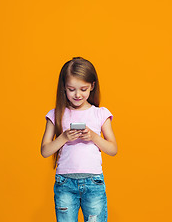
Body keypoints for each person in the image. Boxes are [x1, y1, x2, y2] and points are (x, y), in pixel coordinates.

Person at [41, 57, 117, 222]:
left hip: (94, 183)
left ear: (92, 86)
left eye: (83, 89)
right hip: (65, 184)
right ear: (64, 88)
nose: (77, 95)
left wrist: (94, 137)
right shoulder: (55, 114)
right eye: (71, 89)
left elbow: (113, 149)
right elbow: (45, 151)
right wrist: (64, 137)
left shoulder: (100, 113)